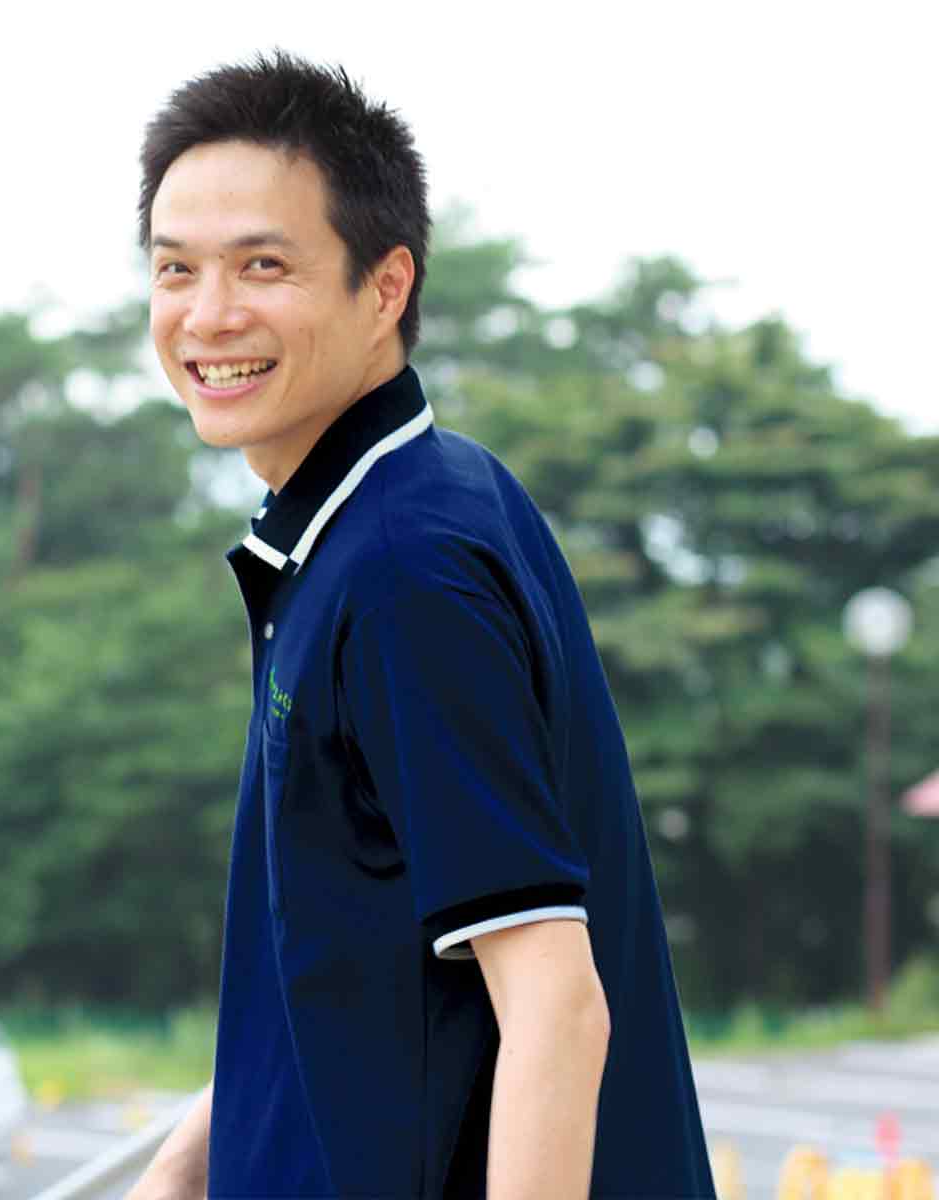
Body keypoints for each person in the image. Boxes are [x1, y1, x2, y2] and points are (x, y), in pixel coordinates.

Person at [126, 52, 715, 1200]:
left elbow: (556, 1004)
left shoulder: (405, 572)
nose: (209, 314)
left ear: (385, 286)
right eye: (175, 268)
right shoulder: (413, 502)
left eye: (263, 264)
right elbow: (344, 973)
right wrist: (181, 1169)